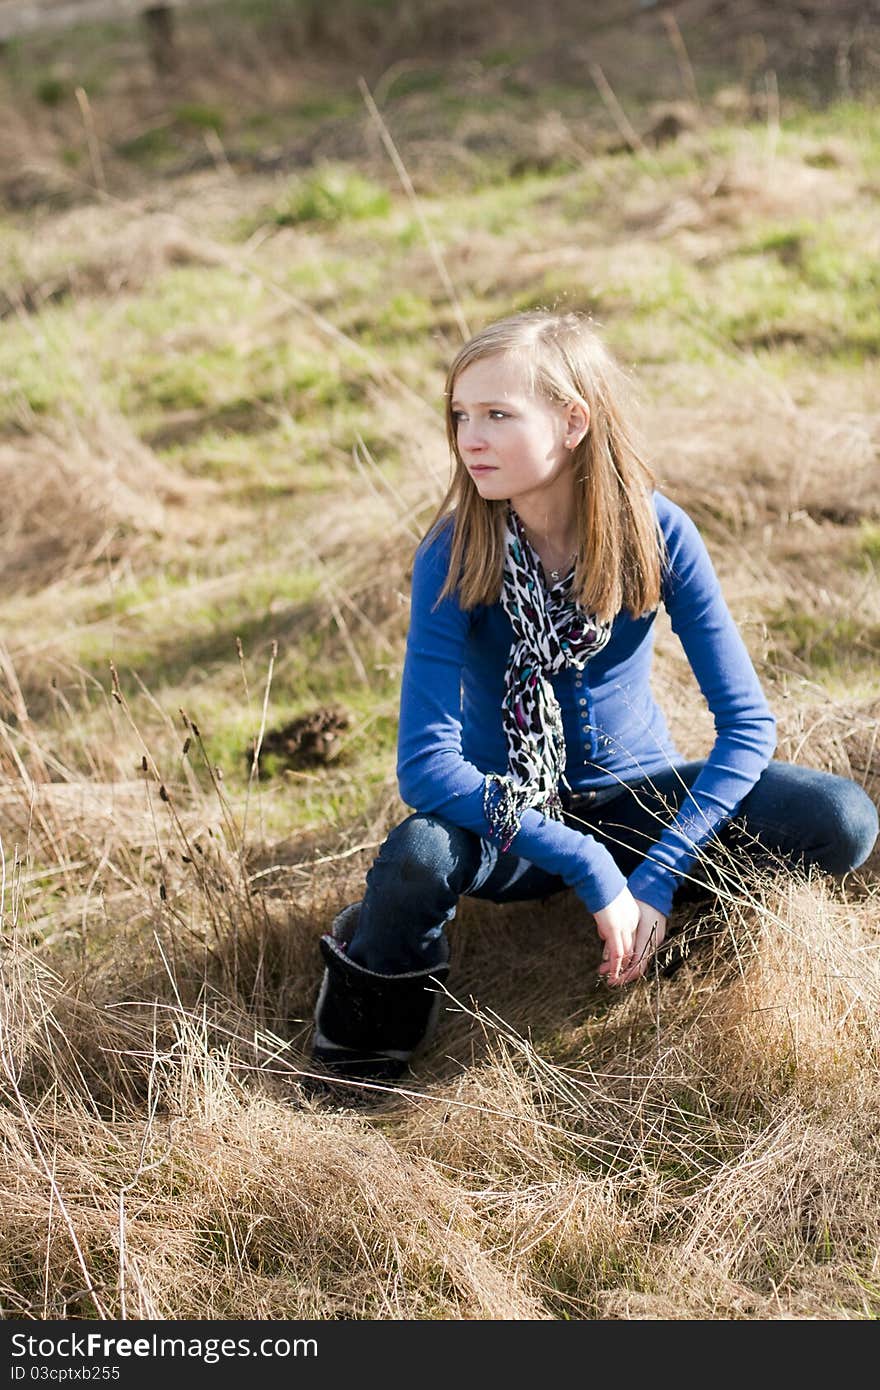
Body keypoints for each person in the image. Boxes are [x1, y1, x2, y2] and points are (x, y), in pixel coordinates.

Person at [310, 310, 878, 1086]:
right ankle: (378, 1001)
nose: (469, 437)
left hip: (638, 804)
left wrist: (654, 871)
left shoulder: (657, 532)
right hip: (509, 814)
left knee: (841, 819)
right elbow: (426, 768)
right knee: (418, 857)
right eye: (461, 415)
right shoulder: (453, 551)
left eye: (498, 415)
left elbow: (747, 726)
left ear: (574, 421)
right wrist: (584, 863)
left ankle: (683, 913)